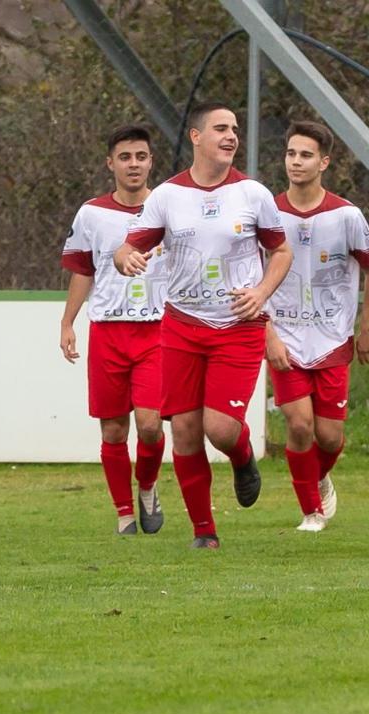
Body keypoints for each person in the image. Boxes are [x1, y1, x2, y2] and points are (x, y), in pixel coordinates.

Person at [113, 101, 293, 549]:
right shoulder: (168, 196)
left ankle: (242, 453)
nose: (231, 136)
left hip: (237, 326)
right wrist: (127, 258)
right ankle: (204, 533)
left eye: (234, 128)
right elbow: (127, 248)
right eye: (220, 128)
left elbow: (282, 252)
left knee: (220, 428)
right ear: (196, 137)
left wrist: (261, 293)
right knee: (186, 431)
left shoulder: (253, 194)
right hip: (182, 326)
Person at [265, 120, 369, 533]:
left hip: (333, 339)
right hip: (286, 338)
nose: (296, 162)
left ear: (324, 162)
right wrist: (267, 332)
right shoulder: (269, 213)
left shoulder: (346, 215)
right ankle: (311, 511)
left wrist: (366, 327)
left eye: (306, 155)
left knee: (330, 438)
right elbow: (249, 275)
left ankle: (317, 474)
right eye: (291, 154)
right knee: (299, 425)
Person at [60, 124, 168, 536]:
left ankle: (147, 487)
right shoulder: (92, 213)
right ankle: (124, 513)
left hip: (156, 330)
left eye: (141, 156)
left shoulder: (168, 207)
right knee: (113, 428)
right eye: (125, 157)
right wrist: (68, 322)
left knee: (151, 425)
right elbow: (83, 271)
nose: (134, 164)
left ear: (151, 161)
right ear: (111, 164)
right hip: (108, 330)